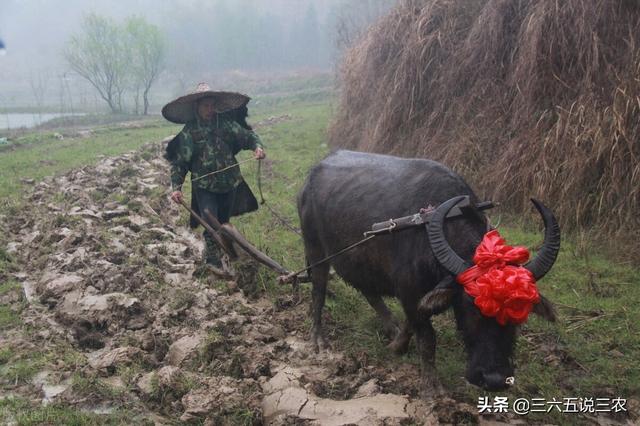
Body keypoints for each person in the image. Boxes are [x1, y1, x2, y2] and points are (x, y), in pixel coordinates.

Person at [162, 83, 266, 271]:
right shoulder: (189, 132)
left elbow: (247, 136)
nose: (209, 110)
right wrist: (176, 187)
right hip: (204, 186)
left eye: (212, 105)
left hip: (230, 182)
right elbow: (180, 163)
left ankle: (226, 252)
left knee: (224, 223)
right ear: (197, 107)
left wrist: (257, 147)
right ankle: (212, 261)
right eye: (205, 106)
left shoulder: (225, 124)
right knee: (211, 221)